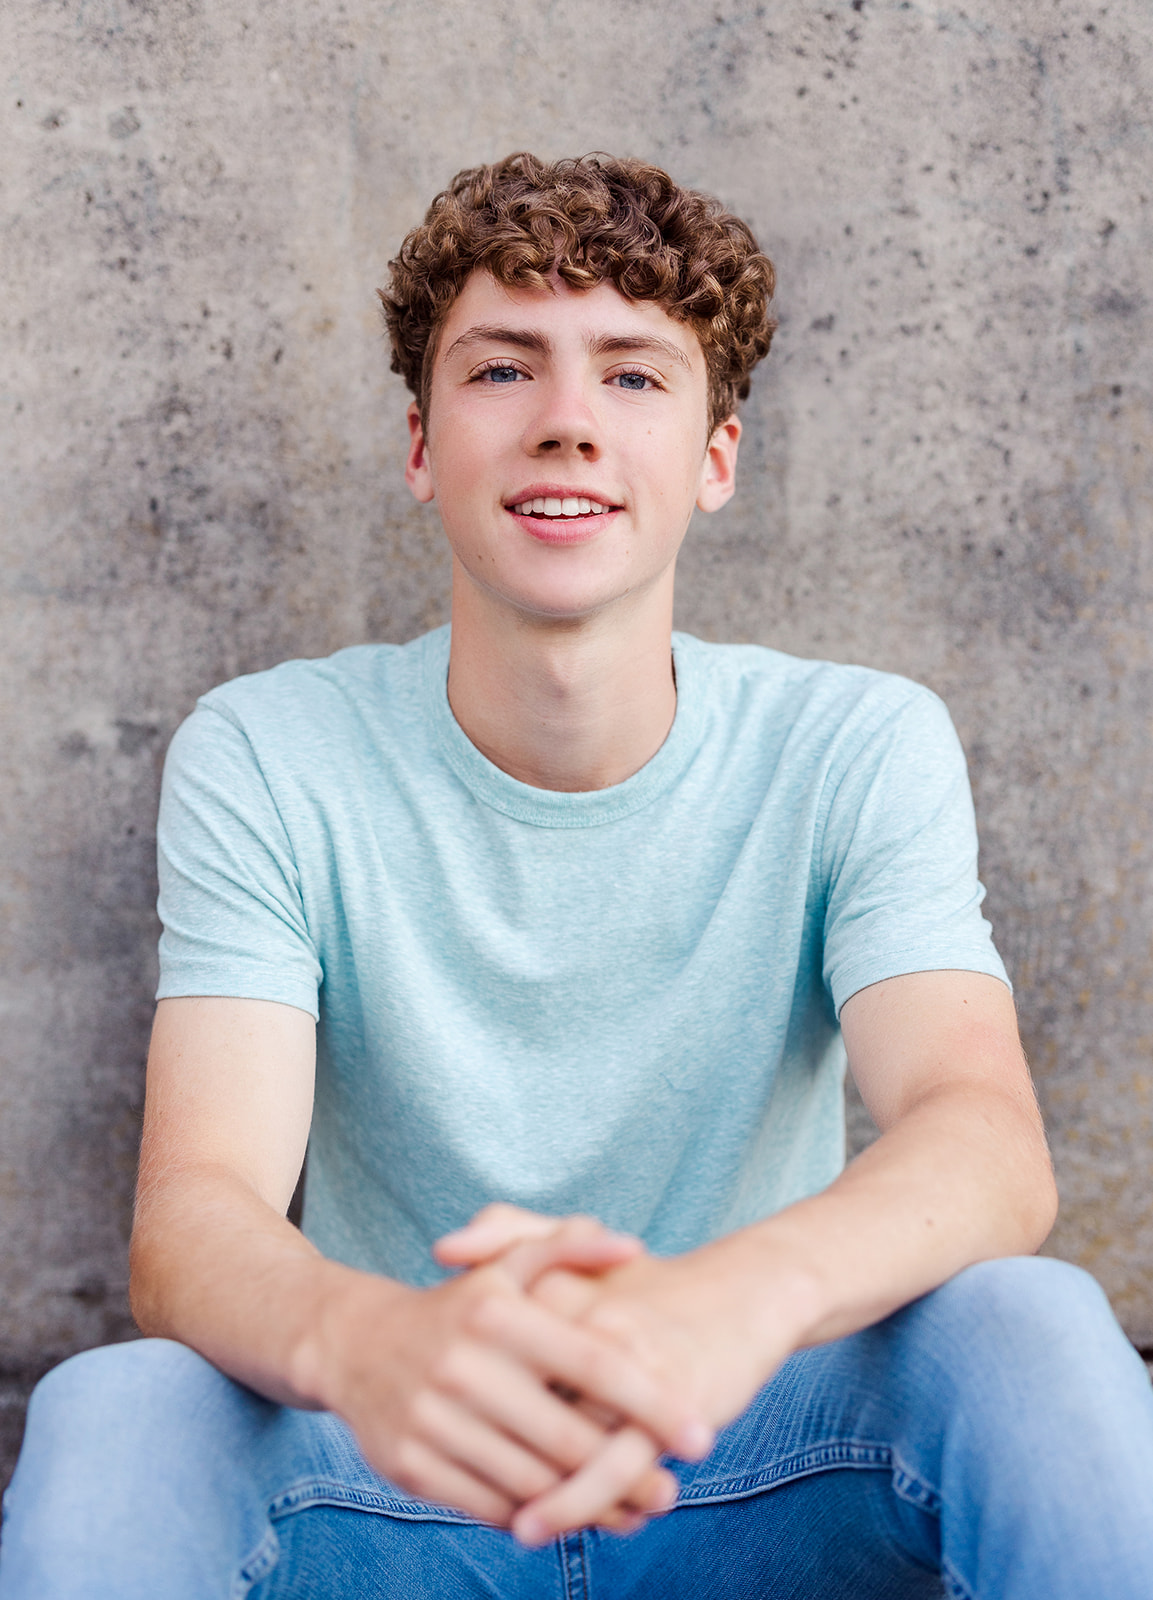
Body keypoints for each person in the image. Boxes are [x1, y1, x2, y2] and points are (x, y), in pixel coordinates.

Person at [2, 151, 1152, 1599]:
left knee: (1027, 1325)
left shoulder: (854, 741)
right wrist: (372, 1345)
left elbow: (981, 1138)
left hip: (744, 1451)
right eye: (500, 372)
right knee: (118, 1406)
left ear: (713, 460)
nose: (563, 423)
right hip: (395, 1474)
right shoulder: (267, 750)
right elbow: (194, 1219)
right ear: (420, 447)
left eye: (630, 376)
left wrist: (717, 1306)